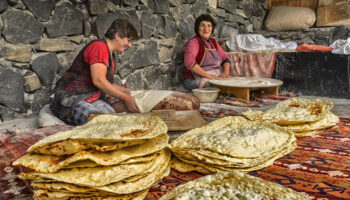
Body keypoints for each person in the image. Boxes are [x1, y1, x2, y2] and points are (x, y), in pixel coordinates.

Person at [50, 19, 140, 125]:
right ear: (117, 36)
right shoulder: (99, 47)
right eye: (128, 40)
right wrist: (125, 97)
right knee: (98, 122)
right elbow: (99, 81)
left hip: (89, 98)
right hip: (69, 97)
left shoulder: (111, 54)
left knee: (114, 121)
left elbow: (107, 84)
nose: (130, 45)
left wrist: (129, 91)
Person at [183, 14, 231, 91]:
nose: (206, 29)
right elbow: (189, 62)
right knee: (221, 88)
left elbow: (225, 59)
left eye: (209, 26)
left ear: (212, 29)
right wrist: (209, 77)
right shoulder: (194, 42)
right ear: (197, 28)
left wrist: (226, 72)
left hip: (214, 76)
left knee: (231, 83)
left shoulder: (213, 42)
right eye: (202, 25)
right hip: (196, 79)